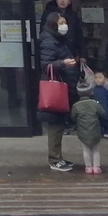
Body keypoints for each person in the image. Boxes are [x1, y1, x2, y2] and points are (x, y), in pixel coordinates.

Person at [38, 11, 80, 172]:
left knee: (59, 124)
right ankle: (55, 159)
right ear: (53, 24)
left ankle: (58, 157)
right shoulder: (49, 41)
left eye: (65, 22)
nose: (64, 26)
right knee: (55, 125)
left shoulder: (59, 39)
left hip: (64, 86)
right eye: (61, 23)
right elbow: (46, 65)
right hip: (55, 88)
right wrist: (63, 63)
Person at [70, 81, 108, 175]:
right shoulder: (95, 104)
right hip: (95, 131)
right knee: (95, 150)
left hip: (82, 132)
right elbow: (104, 114)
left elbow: (73, 117)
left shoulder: (76, 106)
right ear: (91, 92)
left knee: (86, 150)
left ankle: (88, 167)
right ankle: (96, 167)